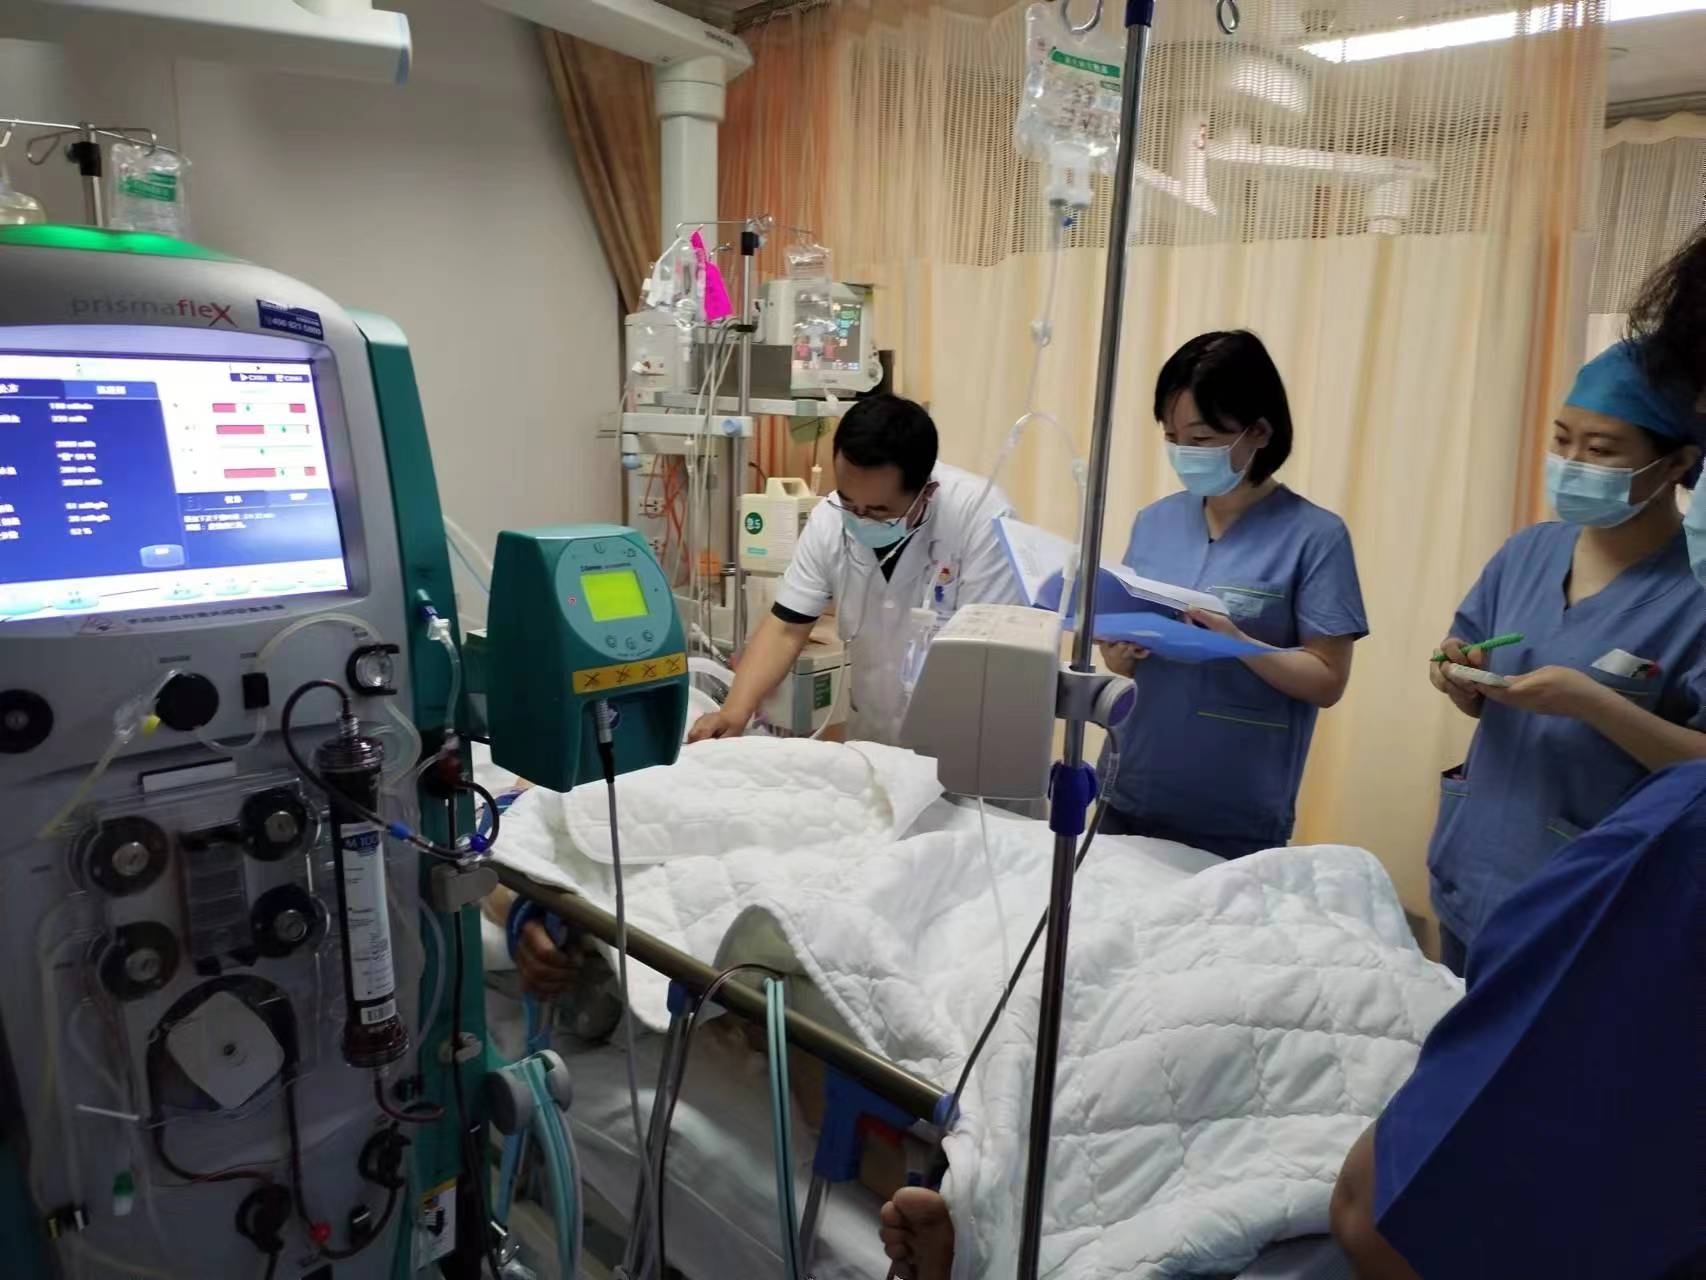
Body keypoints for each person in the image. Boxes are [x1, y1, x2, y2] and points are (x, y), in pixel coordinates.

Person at [1424, 340, 1706, 974]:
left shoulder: (1696, 592)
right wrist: (1455, 674)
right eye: (1561, 440)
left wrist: (1593, 705)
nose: (1571, 463)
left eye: (1600, 450)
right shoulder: (1528, 552)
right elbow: (1466, 669)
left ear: (1677, 463)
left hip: (1590, 905)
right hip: (1470, 874)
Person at [1097, 330, 1367, 858]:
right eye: (1172, 437)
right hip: (1129, 788)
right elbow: (1124, 661)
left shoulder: (1315, 537)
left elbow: (1327, 680)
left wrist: (1236, 642)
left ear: (1259, 431)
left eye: (1200, 440)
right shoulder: (1154, 522)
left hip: (1232, 814)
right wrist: (1120, 651)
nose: (1183, 453)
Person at [687, 393, 1021, 746]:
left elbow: (988, 658)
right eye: (849, 502)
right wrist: (734, 711)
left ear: (927, 491)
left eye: (878, 510)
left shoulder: (982, 519)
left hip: (962, 743)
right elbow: (787, 627)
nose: (859, 518)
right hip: (875, 736)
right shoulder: (830, 519)